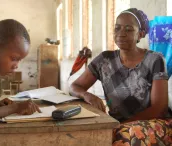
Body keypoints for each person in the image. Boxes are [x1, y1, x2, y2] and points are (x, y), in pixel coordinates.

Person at [70, 8, 172, 145]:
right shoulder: (104, 60)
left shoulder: (154, 60)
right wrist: (87, 95)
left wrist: (119, 124)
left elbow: (159, 108)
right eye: (117, 28)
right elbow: (74, 87)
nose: (121, 34)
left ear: (140, 34)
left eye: (129, 29)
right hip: (117, 124)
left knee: (122, 136)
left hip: (153, 123)